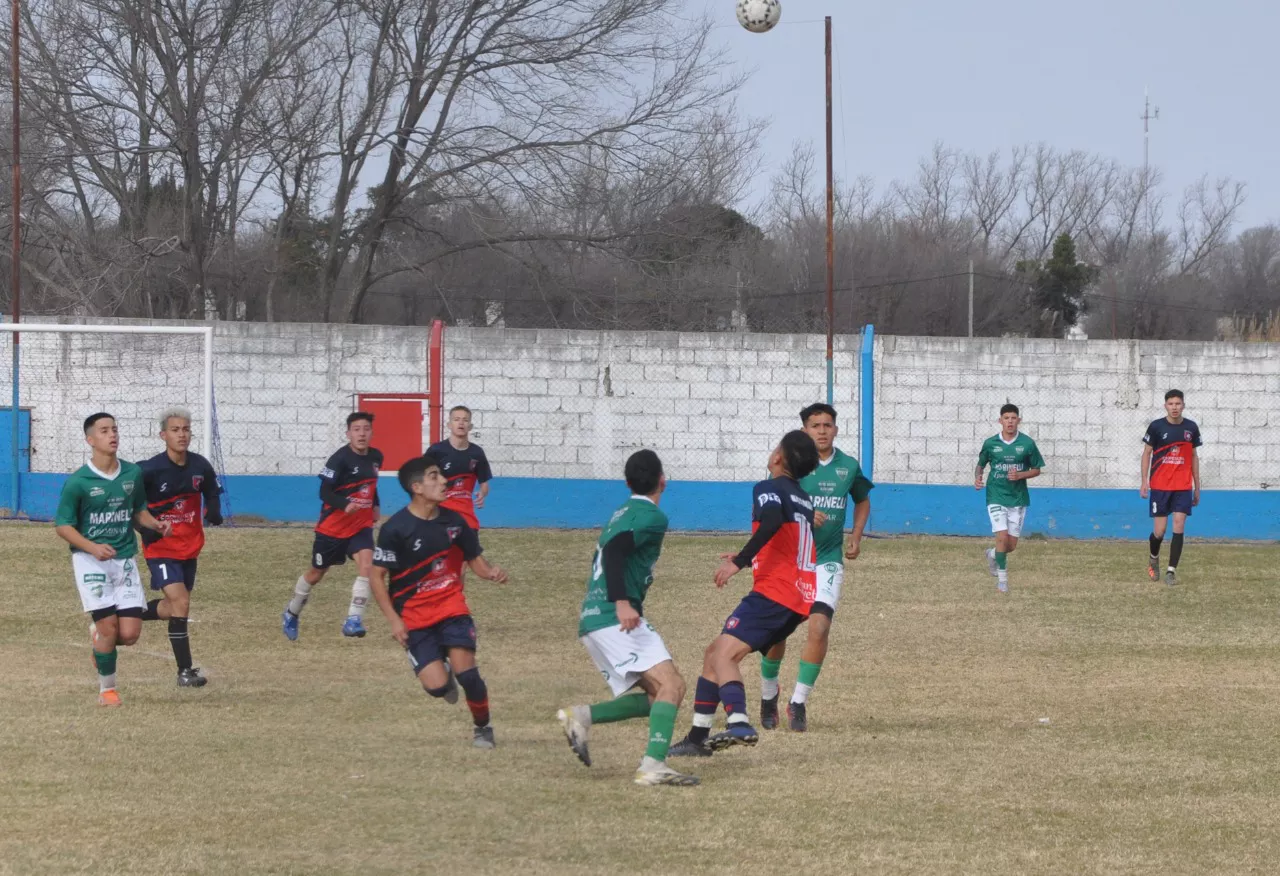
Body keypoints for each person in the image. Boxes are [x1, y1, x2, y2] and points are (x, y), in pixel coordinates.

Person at [668, 431, 819, 758]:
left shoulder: (768, 487)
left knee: (724, 656)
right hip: (797, 600)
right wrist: (751, 555)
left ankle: (738, 721)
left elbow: (772, 520)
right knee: (714, 653)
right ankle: (697, 738)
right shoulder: (804, 499)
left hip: (773, 596)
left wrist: (740, 561)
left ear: (779, 457)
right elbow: (786, 543)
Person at [556, 449, 699, 787]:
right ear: (663, 480)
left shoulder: (621, 511)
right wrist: (622, 602)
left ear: (626, 483)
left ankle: (582, 717)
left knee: (659, 696)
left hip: (593, 617)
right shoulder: (651, 517)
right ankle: (653, 765)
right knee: (672, 685)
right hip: (613, 616)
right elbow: (617, 551)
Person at [368, 454, 509, 749]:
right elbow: (376, 576)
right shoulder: (395, 529)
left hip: (451, 606)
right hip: (414, 616)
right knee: (436, 687)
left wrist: (491, 572)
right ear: (417, 487)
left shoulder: (454, 521)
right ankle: (439, 672)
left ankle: (483, 728)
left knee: (468, 675)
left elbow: (475, 561)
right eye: (434, 476)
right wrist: (394, 620)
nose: (444, 481)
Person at [760, 403, 873, 733]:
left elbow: (862, 499)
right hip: (790, 561)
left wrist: (856, 533)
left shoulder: (848, 467)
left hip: (826, 559)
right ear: (804, 431)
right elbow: (771, 504)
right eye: (815, 425)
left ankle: (798, 702)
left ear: (836, 429)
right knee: (777, 632)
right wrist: (804, 514)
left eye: (827, 425)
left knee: (820, 626)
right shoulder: (789, 465)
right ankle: (769, 695)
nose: (822, 430)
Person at [53, 412, 171, 706]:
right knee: (109, 628)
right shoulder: (78, 482)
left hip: (125, 560)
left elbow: (138, 509)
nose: (112, 435)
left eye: (115, 429)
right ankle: (107, 691)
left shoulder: (132, 474)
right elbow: (63, 525)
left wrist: (154, 524)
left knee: (129, 634)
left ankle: (100, 642)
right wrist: (92, 547)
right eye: (104, 431)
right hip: (90, 562)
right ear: (90, 440)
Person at [138, 408, 223, 687]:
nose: (182, 434)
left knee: (173, 607)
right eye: (175, 430)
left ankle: (123, 614)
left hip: (190, 547)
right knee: (182, 602)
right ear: (163, 435)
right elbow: (132, 505)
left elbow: (211, 489)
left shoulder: (200, 465)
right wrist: (146, 528)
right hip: (160, 548)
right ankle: (184, 672)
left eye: (186, 429)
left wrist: (214, 510)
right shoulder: (150, 470)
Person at [282, 412, 383, 640]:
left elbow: (371, 486)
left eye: (366, 429)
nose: (361, 433)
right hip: (332, 529)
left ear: (371, 433)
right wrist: (344, 504)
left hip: (360, 526)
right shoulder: (339, 459)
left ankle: (353, 619)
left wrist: (375, 504)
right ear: (348, 434)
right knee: (316, 574)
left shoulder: (376, 456)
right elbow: (324, 492)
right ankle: (292, 612)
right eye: (356, 429)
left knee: (368, 567)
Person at [974, 404, 1045, 593]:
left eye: (1013, 418)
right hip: (996, 495)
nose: (1010, 421)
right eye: (1006, 418)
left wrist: (1020, 475)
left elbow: (1037, 469)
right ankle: (1002, 582)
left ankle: (992, 554)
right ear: (1000, 421)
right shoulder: (990, 444)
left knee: (1010, 545)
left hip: (1018, 499)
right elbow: (980, 465)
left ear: (1019, 420)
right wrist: (978, 477)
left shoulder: (1027, 444)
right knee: (1001, 536)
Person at [1141, 389, 1202, 586]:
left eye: (1178, 404)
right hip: (1160, 486)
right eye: (1171, 404)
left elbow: (1193, 457)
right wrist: (1144, 482)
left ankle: (1171, 572)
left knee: (1178, 525)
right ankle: (1153, 557)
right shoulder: (1156, 427)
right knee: (1159, 532)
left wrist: (1197, 486)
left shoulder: (1191, 428)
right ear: (1165, 405)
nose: (1174, 407)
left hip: (1182, 486)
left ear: (1183, 405)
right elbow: (1146, 454)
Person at [427, 406, 492, 531]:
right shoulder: (436, 451)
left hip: (465, 512)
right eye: (456, 419)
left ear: (470, 426)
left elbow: (484, 483)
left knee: (471, 548)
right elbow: (424, 479)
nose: (461, 423)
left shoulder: (477, 453)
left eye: (465, 420)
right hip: (440, 510)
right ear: (449, 425)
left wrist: (482, 494)